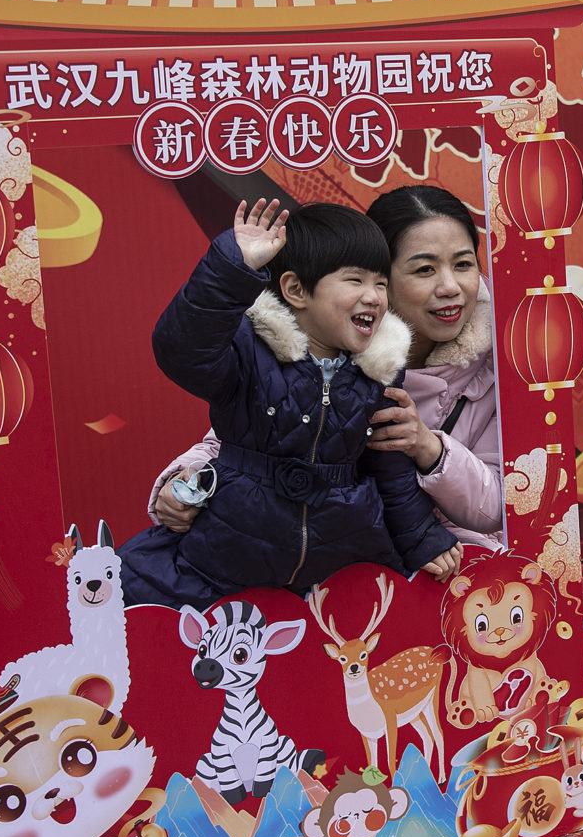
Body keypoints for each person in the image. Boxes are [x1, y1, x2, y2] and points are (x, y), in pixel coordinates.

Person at [117, 200, 462, 608]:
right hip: (228, 554)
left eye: (381, 283)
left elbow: (389, 469)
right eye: (355, 280)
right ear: (297, 290)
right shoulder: (248, 351)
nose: (374, 297)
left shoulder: (379, 369)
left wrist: (421, 536)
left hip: (337, 560)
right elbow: (181, 349)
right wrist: (233, 268)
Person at [147, 185, 504, 550]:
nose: (450, 287)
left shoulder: (508, 358)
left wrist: (430, 449)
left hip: (452, 564)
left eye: (463, 264)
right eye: (424, 269)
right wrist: (183, 482)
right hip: (328, 554)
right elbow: (239, 440)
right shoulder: (318, 345)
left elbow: (501, 509)